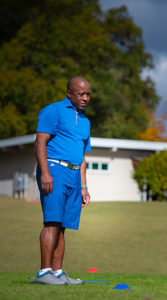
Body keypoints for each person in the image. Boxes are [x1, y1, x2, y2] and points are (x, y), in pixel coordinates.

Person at [34, 76, 91, 285]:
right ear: (69, 93)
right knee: (52, 222)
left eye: (88, 94)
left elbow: (83, 156)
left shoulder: (85, 121)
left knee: (63, 225)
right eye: (81, 94)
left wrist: (84, 186)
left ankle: (57, 272)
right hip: (54, 170)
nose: (85, 98)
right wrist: (45, 173)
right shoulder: (53, 111)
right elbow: (40, 141)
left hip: (74, 175)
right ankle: (44, 272)